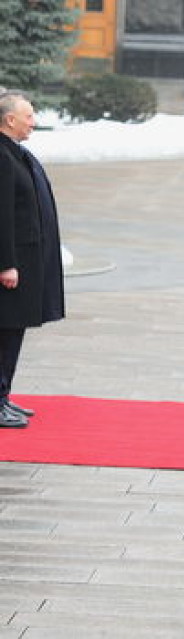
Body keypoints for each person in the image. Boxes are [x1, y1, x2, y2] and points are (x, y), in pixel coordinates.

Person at [0, 91, 66, 427]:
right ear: (10, 120)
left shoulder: (16, 153)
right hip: (12, 266)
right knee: (5, 331)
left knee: (13, 331)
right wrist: (5, 263)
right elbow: (2, 216)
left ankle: (3, 396)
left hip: (25, 261)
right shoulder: (2, 156)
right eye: (28, 116)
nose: (33, 122)